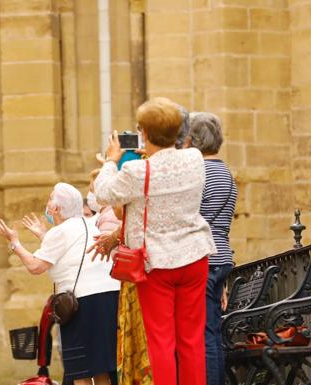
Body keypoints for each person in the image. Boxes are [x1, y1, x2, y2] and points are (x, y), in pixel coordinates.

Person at [93, 98, 216, 385]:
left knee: (161, 341)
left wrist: (111, 160)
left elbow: (103, 193)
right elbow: (172, 164)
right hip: (195, 257)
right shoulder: (195, 158)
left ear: (144, 133)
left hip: (156, 263)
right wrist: (153, 150)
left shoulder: (137, 171)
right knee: (192, 340)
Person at [0, 182, 120, 385]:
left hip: (84, 304)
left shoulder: (59, 232)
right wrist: (44, 236)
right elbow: (66, 249)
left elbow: (35, 266)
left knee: (80, 371)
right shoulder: (89, 223)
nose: (47, 202)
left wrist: (15, 242)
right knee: (101, 370)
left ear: (56, 208)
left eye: (50, 197)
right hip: (108, 297)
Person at [188, 112, 237, 385]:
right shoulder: (226, 174)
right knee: (213, 332)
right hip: (222, 257)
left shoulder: (200, 173)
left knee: (204, 334)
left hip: (203, 258)